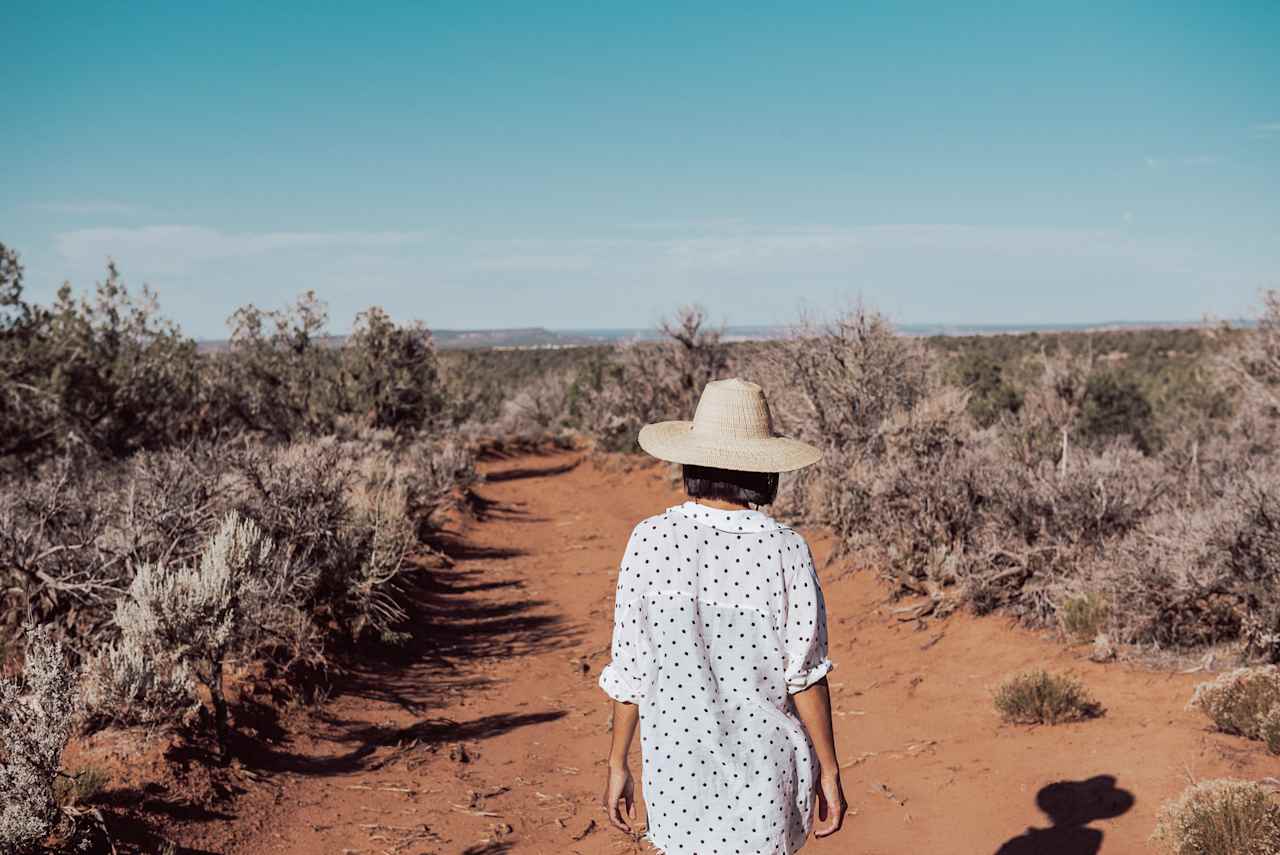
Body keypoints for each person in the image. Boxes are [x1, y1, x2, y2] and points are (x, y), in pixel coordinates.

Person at [598, 377, 847, 854]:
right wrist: (830, 771)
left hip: (677, 776)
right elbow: (805, 676)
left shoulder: (648, 540)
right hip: (765, 779)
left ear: (691, 460)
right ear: (764, 470)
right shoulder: (785, 549)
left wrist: (617, 763)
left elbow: (631, 670)